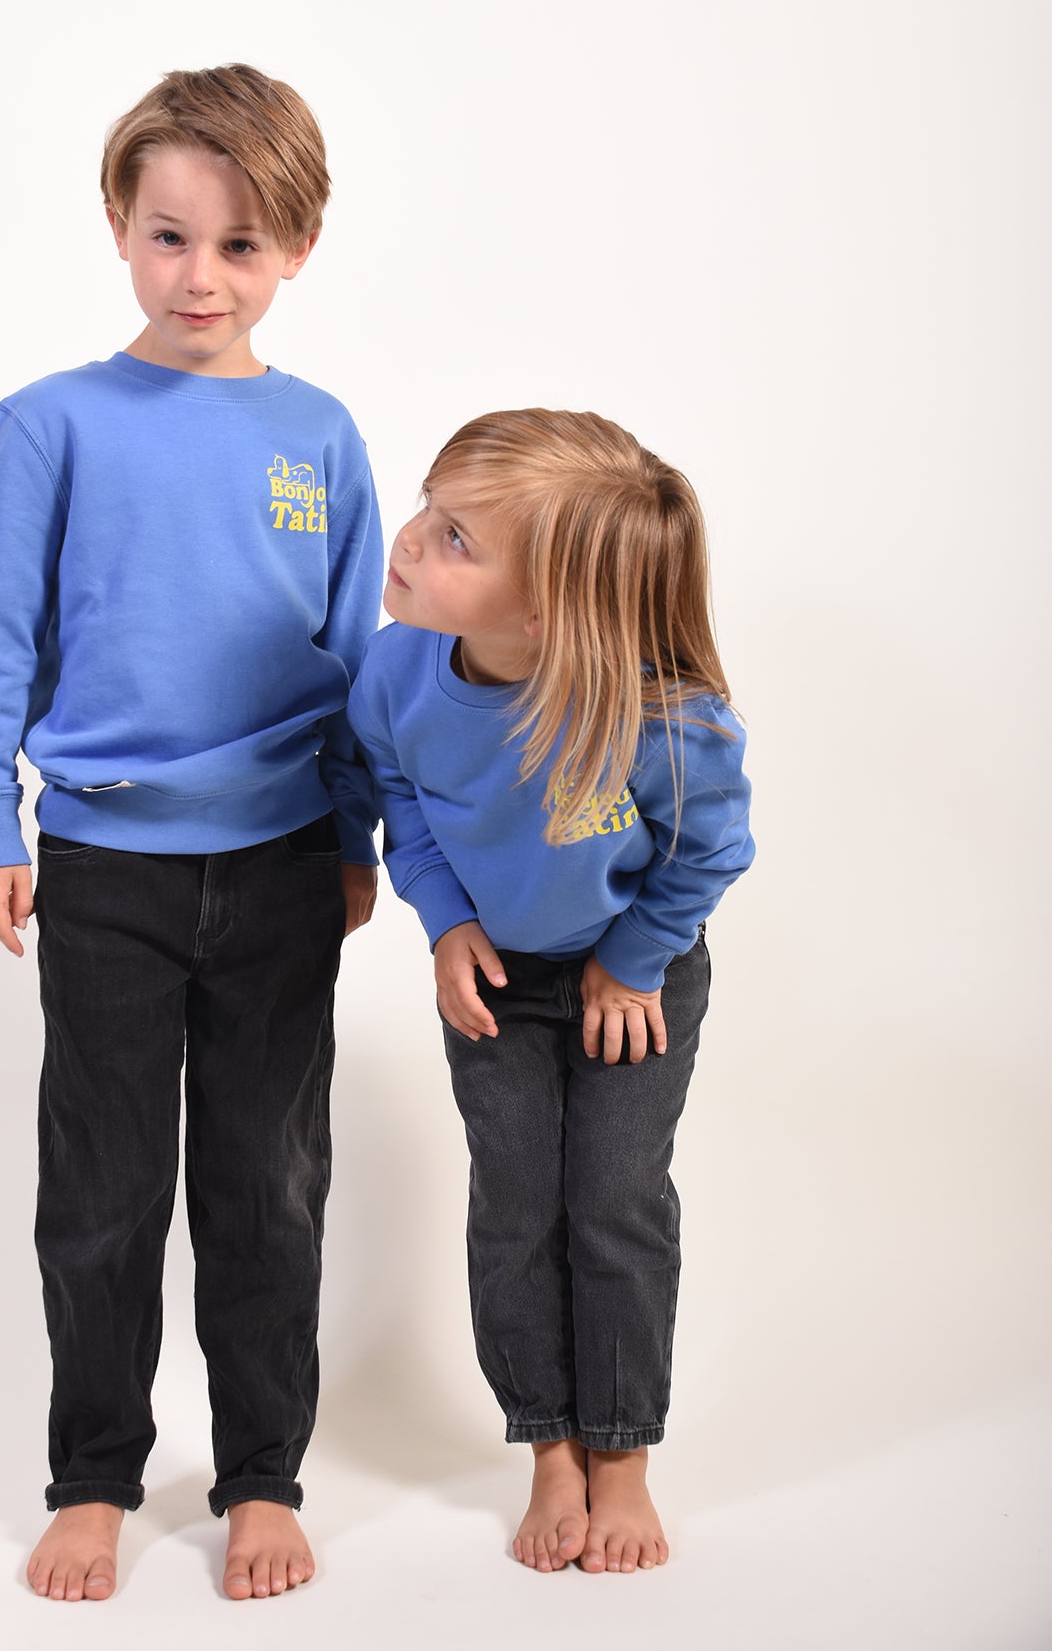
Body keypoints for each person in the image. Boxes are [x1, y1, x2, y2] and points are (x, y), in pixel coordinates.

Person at [0, 64, 382, 1604]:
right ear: (119, 227)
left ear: (297, 253)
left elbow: (353, 665)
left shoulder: (319, 437)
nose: (204, 276)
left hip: (276, 866)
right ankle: (95, 1477)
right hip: (108, 871)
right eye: (173, 236)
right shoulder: (50, 424)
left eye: (243, 247)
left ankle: (262, 1476)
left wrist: (353, 840)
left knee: (266, 1184)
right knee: (105, 1189)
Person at [348, 410, 754, 1577]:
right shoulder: (393, 669)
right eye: (429, 508)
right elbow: (396, 793)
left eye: (457, 537)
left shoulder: (661, 719)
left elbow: (707, 853)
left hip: (633, 973)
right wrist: (445, 920)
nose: (415, 539)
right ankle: (550, 1443)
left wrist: (632, 958)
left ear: (541, 616)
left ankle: (621, 1451)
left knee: (611, 1201)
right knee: (517, 1205)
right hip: (497, 980)